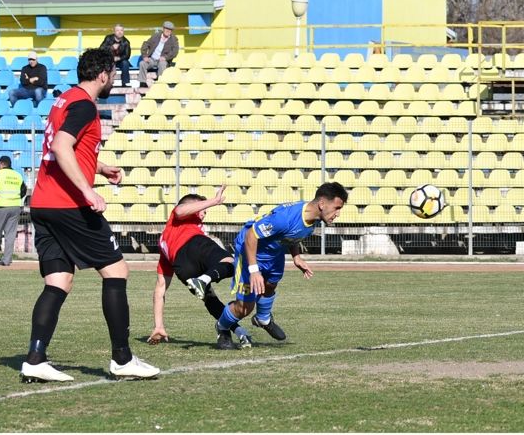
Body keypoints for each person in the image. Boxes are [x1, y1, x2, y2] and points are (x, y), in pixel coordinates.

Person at [20, 48, 159, 382]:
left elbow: (67, 146)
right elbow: (61, 146)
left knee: (59, 280)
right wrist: (87, 190)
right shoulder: (84, 105)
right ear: (103, 75)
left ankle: (35, 359)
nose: (112, 79)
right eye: (111, 74)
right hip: (70, 206)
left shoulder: (65, 99)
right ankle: (122, 359)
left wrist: (100, 166)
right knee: (116, 271)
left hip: (43, 204)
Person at [213, 182, 348, 350]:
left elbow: (293, 235)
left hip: (274, 252)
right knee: (244, 308)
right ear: (322, 204)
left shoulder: (313, 218)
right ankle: (222, 327)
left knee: (270, 284)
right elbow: (251, 235)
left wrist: (296, 257)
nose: (338, 214)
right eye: (336, 208)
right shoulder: (285, 218)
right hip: (250, 251)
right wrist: (254, 270)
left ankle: (263, 319)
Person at [147, 187, 253, 348]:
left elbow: (159, 289)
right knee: (232, 263)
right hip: (194, 245)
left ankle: (238, 332)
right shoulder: (181, 219)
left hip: (182, 268)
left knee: (211, 300)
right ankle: (203, 279)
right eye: (202, 208)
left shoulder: (164, 244)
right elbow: (180, 210)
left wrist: (158, 325)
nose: (204, 213)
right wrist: (213, 201)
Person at [0, 155, 27, 266]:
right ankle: (7, 260)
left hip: (0, 206)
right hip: (15, 206)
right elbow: (23, 190)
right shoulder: (18, 175)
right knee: (10, 234)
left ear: (3, 164)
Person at [138, 21, 179, 87]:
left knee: (162, 64)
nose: (168, 31)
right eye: (166, 29)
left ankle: (161, 84)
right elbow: (145, 44)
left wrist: (165, 57)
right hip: (152, 59)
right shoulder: (156, 36)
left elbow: (175, 52)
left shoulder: (174, 39)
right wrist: (145, 56)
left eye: (170, 30)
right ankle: (142, 83)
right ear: (163, 29)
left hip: (163, 60)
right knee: (142, 63)